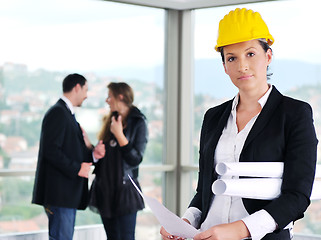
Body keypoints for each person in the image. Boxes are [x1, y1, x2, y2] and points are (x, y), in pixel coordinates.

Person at [160, 8, 317, 240]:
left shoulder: (295, 113)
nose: (242, 66)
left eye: (250, 54)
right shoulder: (213, 117)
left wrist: (241, 228)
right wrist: (186, 222)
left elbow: (297, 196)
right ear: (224, 66)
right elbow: (205, 189)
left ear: (268, 56)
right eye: (232, 58)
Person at [32, 73, 105, 240]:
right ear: (77, 87)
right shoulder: (58, 113)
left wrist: (93, 154)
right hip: (60, 194)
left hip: (65, 194)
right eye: (86, 90)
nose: (86, 95)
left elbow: (70, 151)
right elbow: (51, 150)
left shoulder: (66, 114)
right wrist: (77, 168)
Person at [88, 82, 148, 240]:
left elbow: (135, 159)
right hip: (104, 190)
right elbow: (105, 158)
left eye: (110, 96)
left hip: (125, 193)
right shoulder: (111, 120)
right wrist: (92, 149)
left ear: (120, 97)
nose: (107, 101)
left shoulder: (139, 122)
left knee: (126, 237)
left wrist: (120, 136)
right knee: (112, 237)